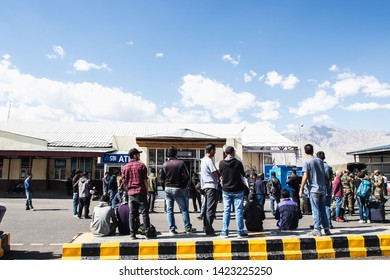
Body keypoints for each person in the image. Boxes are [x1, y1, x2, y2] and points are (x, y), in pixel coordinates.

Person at [121, 148, 156, 239]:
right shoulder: (141, 166)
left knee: (132, 214)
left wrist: (128, 188)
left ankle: (132, 234)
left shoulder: (125, 167)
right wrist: (147, 191)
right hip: (141, 192)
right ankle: (147, 232)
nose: (139, 156)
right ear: (134, 155)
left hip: (131, 193)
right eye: (138, 154)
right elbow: (145, 180)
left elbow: (124, 181)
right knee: (144, 213)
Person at [161, 146, 196, 235]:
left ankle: (172, 229)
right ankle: (188, 227)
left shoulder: (165, 164)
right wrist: (183, 185)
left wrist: (164, 187)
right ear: (176, 154)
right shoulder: (180, 163)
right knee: (184, 209)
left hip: (168, 188)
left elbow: (161, 179)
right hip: (178, 188)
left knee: (169, 210)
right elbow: (187, 176)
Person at [299, 144, 331, 236]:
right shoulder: (320, 161)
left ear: (305, 151)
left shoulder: (307, 162)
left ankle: (317, 229)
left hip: (314, 189)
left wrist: (301, 189)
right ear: (313, 150)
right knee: (323, 209)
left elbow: (305, 176)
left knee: (315, 209)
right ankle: (326, 228)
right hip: (322, 188)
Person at [219, 146, 248, 238]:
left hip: (226, 190)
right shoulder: (238, 163)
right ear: (233, 152)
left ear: (225, 153)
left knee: (226, 210)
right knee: (238, 210)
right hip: (238, 189)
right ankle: (240, 231)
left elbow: (221, 175)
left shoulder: (221, 163)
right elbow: (243, 175)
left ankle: (224, 231)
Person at [200, 143, 221, 236]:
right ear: (212, 150)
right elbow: (214, 172)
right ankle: (209, 228)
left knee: (207, 208)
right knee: (211, 208)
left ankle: (206, 226)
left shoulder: (203, 160)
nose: (215, 152)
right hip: (211, 186)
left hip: (206, 186)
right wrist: (220, 176)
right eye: (215, 150)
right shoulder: (209, 160)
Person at [316, 151, 334, 229]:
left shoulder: (316, 166)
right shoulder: (328, 167)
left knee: (317, 207)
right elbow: (331, 178)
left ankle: (318, 224)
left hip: (317, 187)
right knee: (327, 206)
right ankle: (328, 223)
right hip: (327, 188)